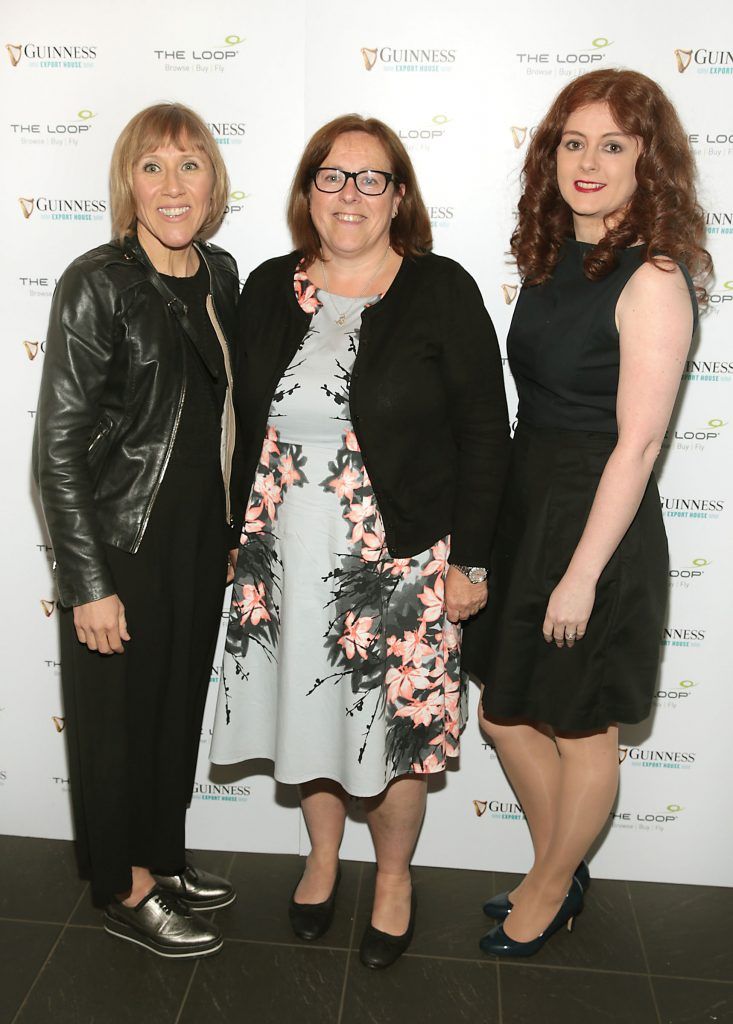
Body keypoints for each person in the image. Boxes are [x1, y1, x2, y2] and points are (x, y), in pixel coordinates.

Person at [210, 113, 509, 968]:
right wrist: (234, 533)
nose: (350, 194)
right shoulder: (268, 286)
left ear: (398, 196)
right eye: (332, 176)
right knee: (306, 720)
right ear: (308, 192)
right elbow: (236, 420)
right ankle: (318, 859)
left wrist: (472, 562)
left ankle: (392, 878)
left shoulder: (439, 290)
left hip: (402, 563)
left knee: (399, 735)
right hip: (282, 556)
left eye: (370, 178)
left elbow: (486, 435)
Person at [461, 69, 711, 957]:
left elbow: (637, 447)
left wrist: (579, 574)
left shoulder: (650, 277)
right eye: (573, 142)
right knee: (502, 713)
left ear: (649, 161)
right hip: (531, 503)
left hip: (595, 522)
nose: (588, 161)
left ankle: (549, 885)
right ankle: (557, 867)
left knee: (582, 727)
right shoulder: (553, 258)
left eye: (612, 144)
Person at [34, 103, 241, 958]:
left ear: (212, 182)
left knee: (171, 712)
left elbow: (227, 415)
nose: (171, 184)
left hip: (198, 539)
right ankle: (124, 888)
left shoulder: (221, 272)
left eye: (189, 165)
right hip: (122, 540)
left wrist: (230, 531)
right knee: (116, 723)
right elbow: (56, 447)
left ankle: (161, 854)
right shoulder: (100, 281)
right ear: (128, 182)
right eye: (152, 167)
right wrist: (87, 582)